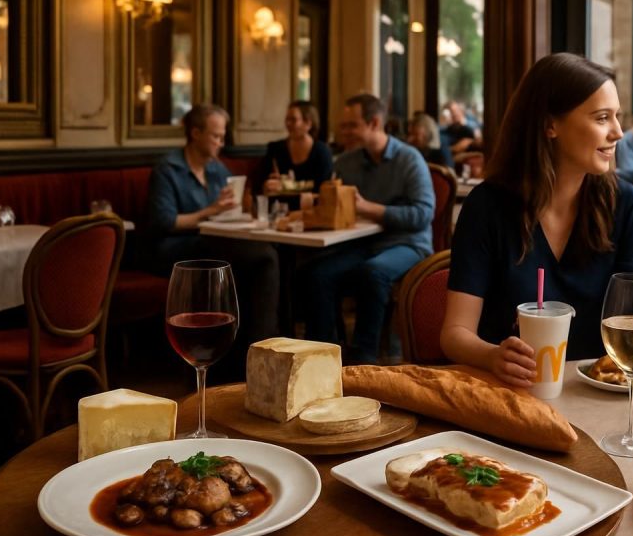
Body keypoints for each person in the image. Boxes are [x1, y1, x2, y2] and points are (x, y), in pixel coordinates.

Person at [441, 53, 633, 387]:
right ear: (550, 125)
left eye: (617, 117)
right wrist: (492, 356)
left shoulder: (626, 204)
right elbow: (455, 333)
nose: (618, 132)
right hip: (512, 393)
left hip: (600, 392)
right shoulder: (487, 206)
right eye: (602, 118)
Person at [146, 103, 279, 378]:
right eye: (216, 136)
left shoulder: (218, 170)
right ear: (195, 133)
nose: (221, 142)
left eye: (222, 136)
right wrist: (210, 212)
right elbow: (165, 222)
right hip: (175, 249)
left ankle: (252, 354)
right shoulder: (167, 169)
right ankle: (254, 361)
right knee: (261, 258)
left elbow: (228, 214)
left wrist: (246, 210)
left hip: (213, 243)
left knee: (265, 256)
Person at [300, 94, 435, 364]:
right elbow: (333, 207)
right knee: (316, 274)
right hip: (362, 244)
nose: (343, 133)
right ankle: (322, 358)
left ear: (374, 123)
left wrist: (368, 208)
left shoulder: (409, 159)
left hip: (408, 244)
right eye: (343, 126)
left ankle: (364, 360)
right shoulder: (345, 162)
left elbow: (423, 214)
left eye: (351, 126)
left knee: (372, 272)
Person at [256, 101, 334, 210]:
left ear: (308, 123)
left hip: (312, 213)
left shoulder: (322, 152)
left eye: (293, 120)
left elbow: (324, 190)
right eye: (287, 119)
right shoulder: (275, 149)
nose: (288, 123)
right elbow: (259, 185)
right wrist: (266, 186)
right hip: (279, 212)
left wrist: (286, 189)